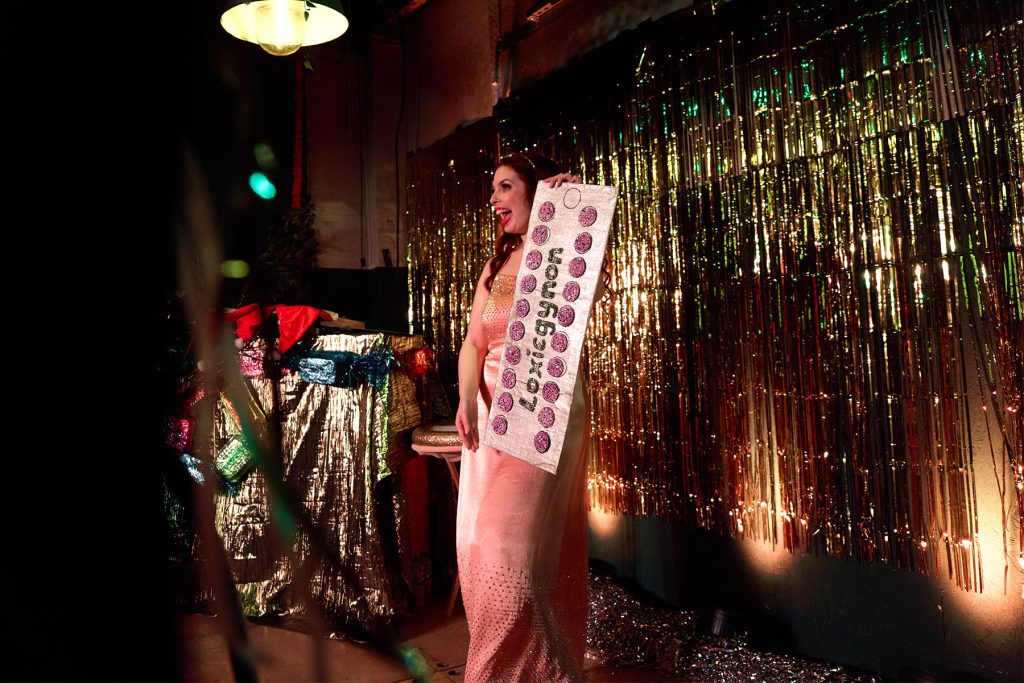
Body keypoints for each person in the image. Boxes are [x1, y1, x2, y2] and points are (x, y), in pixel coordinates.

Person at [454, 152, 590, 682]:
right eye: (493, 190)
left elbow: (589, 254)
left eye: (505, 187)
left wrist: (571, 204)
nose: (494, 199)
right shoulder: (497, 267)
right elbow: (472, 341)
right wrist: (467, 398)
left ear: (535, 192)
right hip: (490, 418)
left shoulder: (557, 247)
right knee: (475, 555)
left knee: (505, 561)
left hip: (541, 410)